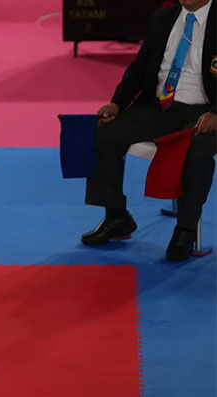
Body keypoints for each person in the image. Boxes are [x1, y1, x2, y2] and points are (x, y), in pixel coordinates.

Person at [81, 0, 216, 261]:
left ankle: (186, 229)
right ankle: (116, 216)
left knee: (197, 151)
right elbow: (139, 67)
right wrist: (117, 103)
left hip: (205, 110)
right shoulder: (162, 18)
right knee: (106, 132)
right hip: (160, 105)